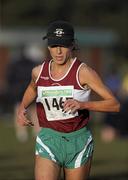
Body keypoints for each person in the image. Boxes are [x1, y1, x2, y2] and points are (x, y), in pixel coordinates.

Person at [17, 20, 120, 180]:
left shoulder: (84, 72)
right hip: (49, 139)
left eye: (63, 45)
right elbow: (32, 88)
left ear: (72, 45)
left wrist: (83, 104)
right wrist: (22, 108)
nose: (58, 51)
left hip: (78, 141)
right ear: (48, 46)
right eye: (53, 45)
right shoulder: (38, 72)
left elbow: (114, 104)